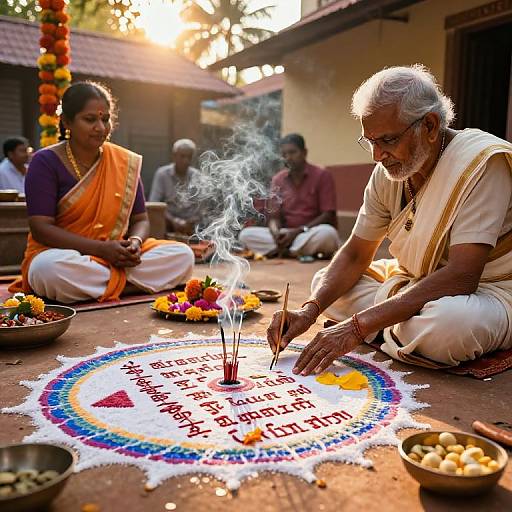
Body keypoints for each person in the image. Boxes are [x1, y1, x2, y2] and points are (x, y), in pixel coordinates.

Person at [267, 65, 512, 375]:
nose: (377, 155)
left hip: (488, 293)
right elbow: (356, 253)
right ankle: (397, 328)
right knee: (324, 284)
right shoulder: (388, 172)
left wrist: (356, 329)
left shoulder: (482, 164)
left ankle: (385, 326)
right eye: (370, 142)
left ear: (431, 126)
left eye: (387, 140)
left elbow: (463, 276)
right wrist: (309, 311)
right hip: (415, 284)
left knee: (447, 327)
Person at [9, 82, 194, 303]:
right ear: (67, 121)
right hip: (66, 254)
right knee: (46, 270)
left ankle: (104, 287)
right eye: (90, 119)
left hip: (116, 253)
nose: (100, 127)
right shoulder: (45, 161)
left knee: (183, 255)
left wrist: (134, 243)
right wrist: (100, 249)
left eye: (105, 119)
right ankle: (128, 285)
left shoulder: (123, 162)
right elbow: (41, 228)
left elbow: (141, 219)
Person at [239, 133, 340, 258]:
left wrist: (298, 232)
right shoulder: (278, 179)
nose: (288, 158)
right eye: (284, 154)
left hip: (309, 232)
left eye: (292, 152)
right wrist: (276, 234)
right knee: (246, 235)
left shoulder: (322, 175)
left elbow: (328, 215)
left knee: (328, 234)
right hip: (286, 234)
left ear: (304, 152)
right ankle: (294, 250)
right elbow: (274, 218)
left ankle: (286, 251)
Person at [149, 139, 203, 236]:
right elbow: (154, 204)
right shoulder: (162, 174)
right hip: (167, 222)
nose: (186, 160)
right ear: (174, 156)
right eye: (182, 156)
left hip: (191, 225)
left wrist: (189, 222)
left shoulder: (197, 176)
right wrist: (174, 221)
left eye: (189, 157)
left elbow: (202, 207)